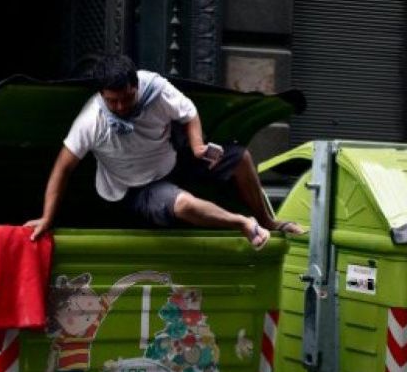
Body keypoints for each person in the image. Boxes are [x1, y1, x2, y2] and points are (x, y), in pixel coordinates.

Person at [24, 54, 303, 248]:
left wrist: (196, 146)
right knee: (184, 204)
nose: (120, 107)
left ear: (137, 84)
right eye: (112, 101)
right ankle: (243, 224)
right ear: (101, 95)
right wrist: (48, 217)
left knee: (240, 158)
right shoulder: (90, 121)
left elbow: (189, 113)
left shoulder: (156, 89)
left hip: (173, 162)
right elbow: (63, 167)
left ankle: (269, 221)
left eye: (126, 98)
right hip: (135, 189)